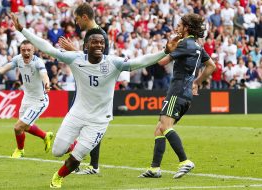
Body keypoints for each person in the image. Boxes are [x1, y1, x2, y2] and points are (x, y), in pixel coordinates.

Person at [11, 12, 181, 188]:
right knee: (57, 151)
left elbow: (140, 62)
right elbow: (47, 48)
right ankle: (74, 148)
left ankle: (58, 177)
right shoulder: (75, 59)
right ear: (86, 46)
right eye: (95, 42)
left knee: (78, 155)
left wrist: (165, 51)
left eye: (102, 42)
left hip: (99, 120)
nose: (99, 44)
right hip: (77, 114)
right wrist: (23, 30)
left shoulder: (113, 63)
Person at [139, 13, 216, 179]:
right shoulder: (197, 46)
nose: (177, 28)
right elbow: (211, 66)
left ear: (186, 28)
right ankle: (154, 169)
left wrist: (167, 49)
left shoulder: (184, 43)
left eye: (179, 25)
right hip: (187, 94)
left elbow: (162, 62)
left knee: (165, 126)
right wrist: (197, 82)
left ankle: (184, 161)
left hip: (177, 92)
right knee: (159, 128)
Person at [58, 2, 110, 175]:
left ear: (85, 17)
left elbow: (99, 62)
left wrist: (72, 49)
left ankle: (90, 165)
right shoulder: (94, 33)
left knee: (90, 124)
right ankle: (87, 163)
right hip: (89, 85)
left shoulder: (98, 35)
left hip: (93, 88)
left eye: (77, 19)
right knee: (90, 124)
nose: (76, 23)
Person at [0, 40, 54, 158]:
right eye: (23, 50)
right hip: (27, 98)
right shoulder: (18, 59)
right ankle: (45, 136)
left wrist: (47, 84)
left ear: (33, 51)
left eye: (29, 50)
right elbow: (2, 70)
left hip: (39, 101)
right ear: (20, 51)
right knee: (25, 127)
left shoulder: (38, 62)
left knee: (18, 127)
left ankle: (20, 150)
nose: (26, 52)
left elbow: (44, 74)